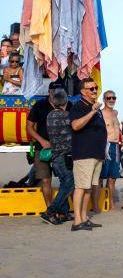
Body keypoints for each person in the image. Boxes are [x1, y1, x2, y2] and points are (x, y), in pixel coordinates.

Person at [27, 82, 73, 209]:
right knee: (45, 180)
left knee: (66, 180)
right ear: (49, 91)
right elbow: (29, 128)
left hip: (63, 150)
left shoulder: (68, 104)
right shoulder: (39, 105)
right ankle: (50, 209)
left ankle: (63, 210)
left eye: (59, 89)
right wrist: (41, 140)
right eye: (54, 90)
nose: (56, 92)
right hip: (42, 148)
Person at [69, 78, 106, 231]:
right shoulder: (78, 106)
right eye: (91, 89)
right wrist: (92, 112)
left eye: (96, 88)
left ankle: (84, 218)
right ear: (83, 91)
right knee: (81, 187)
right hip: (84, 154)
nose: (95, 91)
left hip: (96, 154)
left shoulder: (95, 108)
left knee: (89, 188)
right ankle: (77, 221)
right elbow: (75, 125)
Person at [39, 88, 74, 225]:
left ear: (53, 103)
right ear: (65, 101)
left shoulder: (49, 116)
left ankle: (63, 213)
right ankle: (50, 211)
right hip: (65, 157)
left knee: (64, 183)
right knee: (69, 183)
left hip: (55, 156)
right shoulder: (67, 116)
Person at [97, 90, 121, 211]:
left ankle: (110, 201)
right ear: (104, 100)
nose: (111, 100)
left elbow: (118, 131)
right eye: (109, 98)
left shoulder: (116, 113)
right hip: (105, 145)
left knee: (113, 177)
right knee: (101, 176)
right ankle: (100, 202)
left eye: (113, 98)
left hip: (116, 146)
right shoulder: (100, 114)